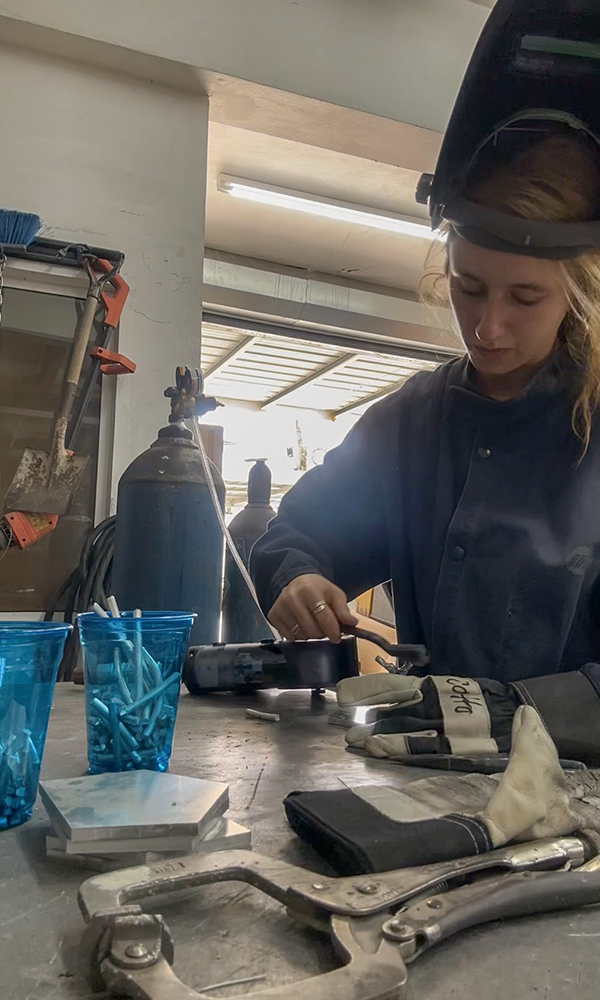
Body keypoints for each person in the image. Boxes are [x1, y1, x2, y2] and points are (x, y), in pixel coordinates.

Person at [250, 127, 600, 684]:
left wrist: (522, 714)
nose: (487, 327)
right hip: (430, 761)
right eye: (469, 287)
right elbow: (298, 533)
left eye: (525, 298)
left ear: (579, 291)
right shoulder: (409, 424)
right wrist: (296, 580)